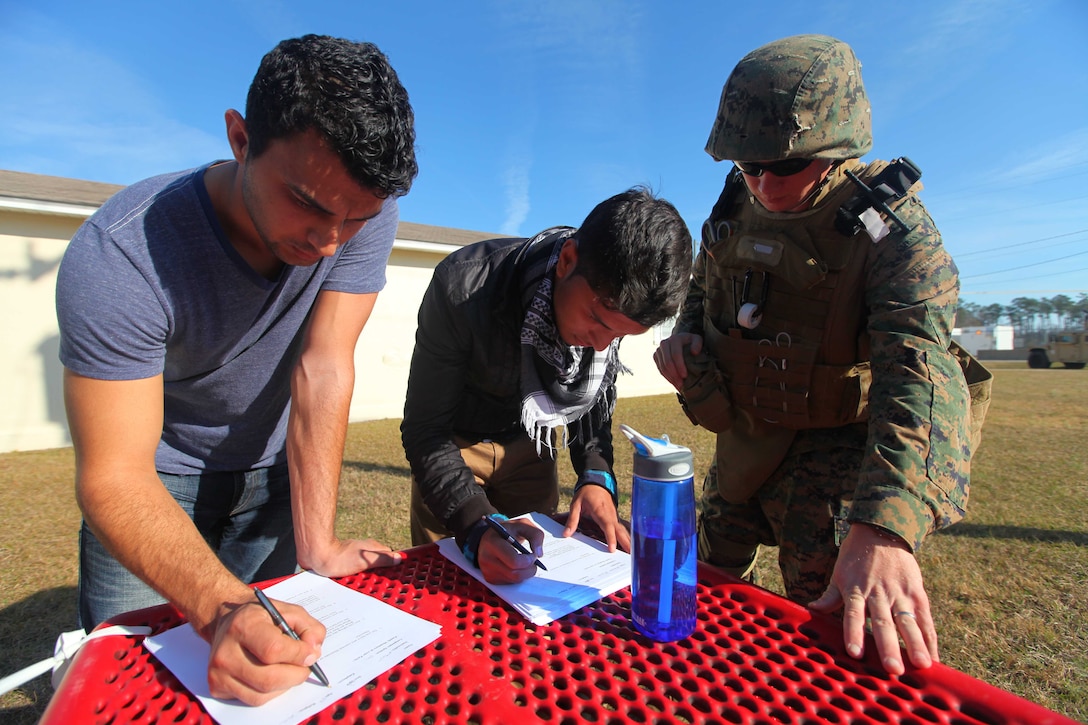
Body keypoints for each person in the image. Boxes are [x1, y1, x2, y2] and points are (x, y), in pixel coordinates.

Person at [55, 35, 417, 704]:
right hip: (156, 483)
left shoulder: (361, 209)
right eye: (307, 203)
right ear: (240, 138)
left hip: (273, 477)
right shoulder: (119, 256)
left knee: (271, 683)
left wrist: (319, 546)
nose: (330, 240)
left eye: (354, 219)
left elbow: (325, 363)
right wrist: (224, 606)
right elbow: (114, 474)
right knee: (138, 692)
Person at [654, 35, 986, 675]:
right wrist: (686, 339)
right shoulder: (735, 203)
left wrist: (885, 527)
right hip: (745, 442)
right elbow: (703, 289)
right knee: (700, 598)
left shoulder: (893, 231)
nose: (763, 184)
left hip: (833, 459)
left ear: (837, 149)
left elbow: (917, 370)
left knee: (838, 631)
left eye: (784, 166)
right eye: (748, 166)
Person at [401, 187, 693, 585]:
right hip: (453, 447)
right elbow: (425, 430)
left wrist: (596, 477)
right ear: (567, 260)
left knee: (531, 576)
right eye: (598, 321)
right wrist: (475, 525)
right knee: (455, 580)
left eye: (620, 336)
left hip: (532, 444)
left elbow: (593, 403)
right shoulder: (463, 287)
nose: (601, 345)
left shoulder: (614, 299)